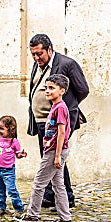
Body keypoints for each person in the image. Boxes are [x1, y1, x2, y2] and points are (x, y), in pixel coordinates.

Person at [27, 34, 89, 208]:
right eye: (33, 54)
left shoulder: (67, 64)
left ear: (49, 49)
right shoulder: (37, 64)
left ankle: (66, 197)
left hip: (57, 121)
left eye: (39, 54)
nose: (36, 57)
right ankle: (51, 195)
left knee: (55, 157)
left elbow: (82, 90)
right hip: (41, 120)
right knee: (47, 157)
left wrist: (66, 107)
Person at [15, 74, 72, 222]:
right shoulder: (55, 106)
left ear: (62, 91)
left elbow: (62, 132)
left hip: (54, 151)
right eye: (46, 88)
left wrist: (57, 155)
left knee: (39, 182)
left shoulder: (60, 108)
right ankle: (65, 218)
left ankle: (32, 215)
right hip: (53, 149)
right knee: (58, 185)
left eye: (51, 88)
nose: (47, 91)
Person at [0, 115, 27, 216]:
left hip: (8, 170)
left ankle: (19, 208)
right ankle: (1, 207)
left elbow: (17, 155)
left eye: (1, 128)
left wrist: (21, 155)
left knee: (11, 190)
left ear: (10, 129)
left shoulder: (14, 141)